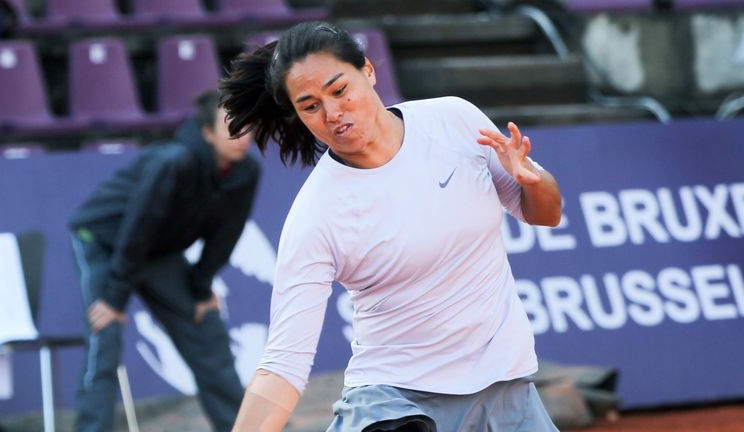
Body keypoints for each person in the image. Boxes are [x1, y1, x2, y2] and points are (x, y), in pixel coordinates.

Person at [220, 21, 562, 431]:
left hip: (507, 387)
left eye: (339, 89)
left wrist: (532, 181)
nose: (332, 113)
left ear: (367, 70)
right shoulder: (316, 215)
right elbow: (283, 363)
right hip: (396, 404)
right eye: (311, 106)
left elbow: (545, 214)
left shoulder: (453, 120)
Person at [68, 90, 259, 432]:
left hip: (159, 252)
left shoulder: (246, 171)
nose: (243, 137)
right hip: (103, 242)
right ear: (207, 132)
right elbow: (137, 227)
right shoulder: (173, 162)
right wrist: (114, 298)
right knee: (105, 336)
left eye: (248, 127)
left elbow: (226, 234)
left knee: (207, 329)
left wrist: (201, 288)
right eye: (232, 127)